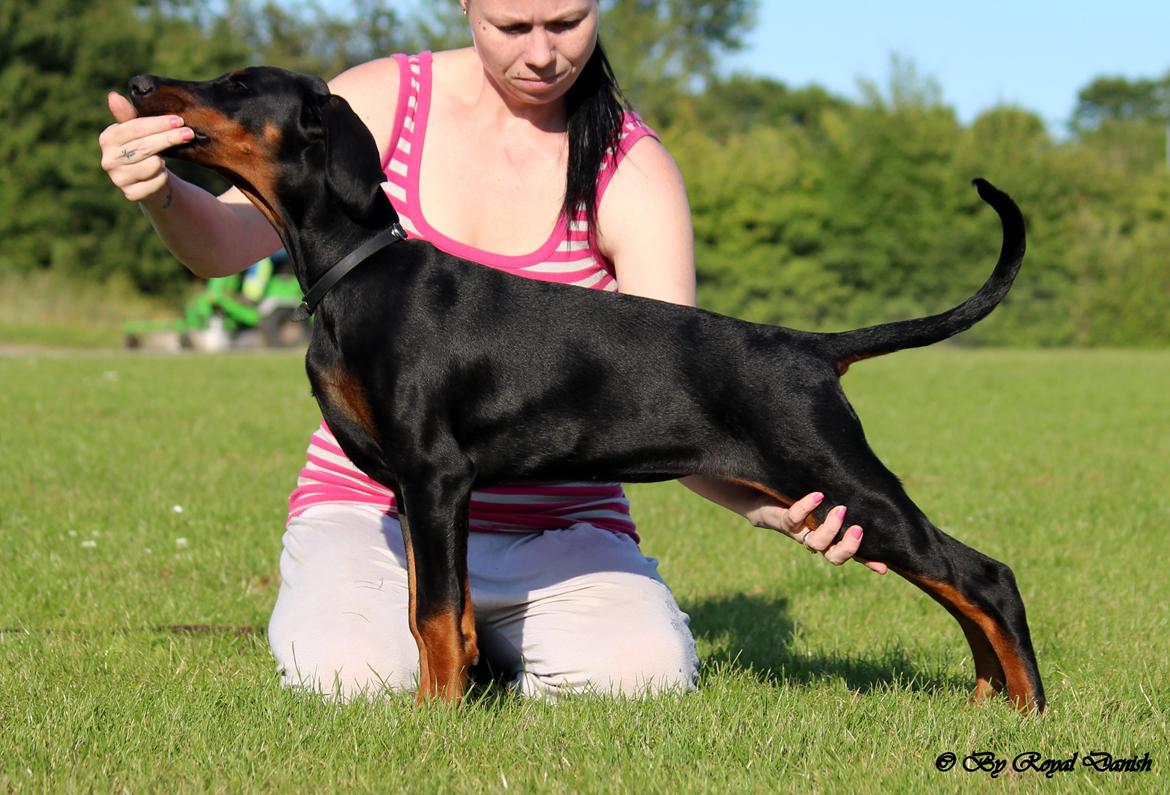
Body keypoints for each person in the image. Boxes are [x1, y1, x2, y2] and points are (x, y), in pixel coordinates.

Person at [100, 0, 887, 700]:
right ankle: (440, 636)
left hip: (561, 527)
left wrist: (767, 502)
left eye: (567, 24)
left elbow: (672, 400)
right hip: (378, 513)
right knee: (347, 678)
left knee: (640, 678)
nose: (541, 53)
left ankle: (492, 642)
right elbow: (227, 245)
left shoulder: (631, 170)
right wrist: (164, 194)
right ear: (467, 6)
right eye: (513, 26)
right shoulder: (378, 102)